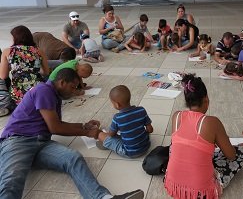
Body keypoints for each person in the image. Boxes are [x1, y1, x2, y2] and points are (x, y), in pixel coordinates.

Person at [0, 68, 144, 199]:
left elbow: (57, 124)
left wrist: (84, 126)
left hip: (42, 142)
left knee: (73, 158)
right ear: (62, 82)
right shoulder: (43, 90)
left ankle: (103, 198)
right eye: (73, 87)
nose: (74, 91)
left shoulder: (54, 94)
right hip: (18, 140)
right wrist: (87, 133)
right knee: (12, 178)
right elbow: (55, 128)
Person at [164, 74, 243, 199]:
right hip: (201, 193)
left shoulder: (176, 116)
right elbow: (231, 155)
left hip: (174, 186)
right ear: (206, 100)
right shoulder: (212, 122)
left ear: (187, 101)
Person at [96, 85, 153, 158]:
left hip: (130, 152)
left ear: (117, 104)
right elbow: (150, 130)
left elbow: (111, 135)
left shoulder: (117, 118)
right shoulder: (141, 110)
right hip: (146, 146)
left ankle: (108, 144)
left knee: (101, 135)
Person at [0, 26, 49, 105]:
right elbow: (46, 72)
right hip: (38, 91)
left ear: (15, 38)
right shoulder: (39, 51)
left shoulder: (8, 52)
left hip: (18, 93)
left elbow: (3, 76)